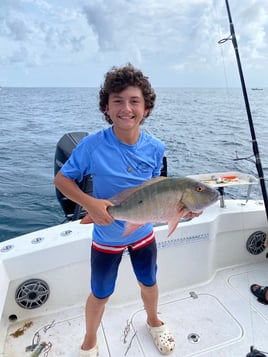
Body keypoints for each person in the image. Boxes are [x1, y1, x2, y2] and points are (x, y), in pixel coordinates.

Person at [54, 63, 198, 356]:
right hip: (107, 235)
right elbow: (62, 179)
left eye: (134, 101)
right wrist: (90, 204)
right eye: (117, 101)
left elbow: (155, 191)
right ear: (106, 107)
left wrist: (182, 210)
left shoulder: (156, 147)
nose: (126, 108)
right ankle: (90, 341)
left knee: (149, 282)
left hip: (143, 233)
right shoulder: (91, 146)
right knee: (100, 293)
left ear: (146, 108)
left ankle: (153, 320)